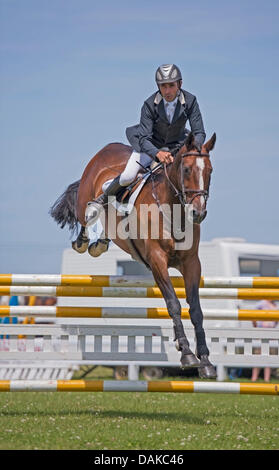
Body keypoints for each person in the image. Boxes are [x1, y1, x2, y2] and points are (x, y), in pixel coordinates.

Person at [92, 63, 206, 209]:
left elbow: (199, 133)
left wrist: (193, 150)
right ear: (158, 86)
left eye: (171, 85)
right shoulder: (149, 104)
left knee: (194, 174)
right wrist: (158, 153)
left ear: (180, 84)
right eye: (163, 86)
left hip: (177, 147)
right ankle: (103, 199)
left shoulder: (190, 101)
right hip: (150, 146)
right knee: (128, 176)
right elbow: (144, 139)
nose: (167, 91)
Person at [251, 299, 278, 382]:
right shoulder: (261, 303)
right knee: (258, 356)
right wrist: (256, 328)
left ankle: (267, 379)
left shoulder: (276, 305)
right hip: (261, 332)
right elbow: (253, 316)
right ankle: (254, 377)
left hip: (271, 334)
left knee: (269, 358)